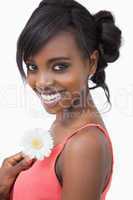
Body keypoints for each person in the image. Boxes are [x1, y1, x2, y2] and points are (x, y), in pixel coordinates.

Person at [0, 0, 122, 199]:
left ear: (91, 63)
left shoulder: (84, 145)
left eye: (59, 67)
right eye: (32, 67)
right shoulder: (63, 124)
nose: (42, 82)